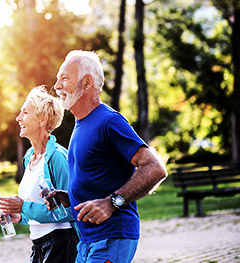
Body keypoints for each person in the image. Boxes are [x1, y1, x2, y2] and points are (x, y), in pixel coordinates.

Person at [47, 50, 168, 263]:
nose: (56, 86)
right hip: (86, 241)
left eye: (64, 78)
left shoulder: (108, 121)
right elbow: (100, 175)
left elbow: (155, 168)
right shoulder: (81, 124)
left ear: (86, 83)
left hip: (111, 238)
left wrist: (112, 202)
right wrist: (70, 197)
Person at [0, 86, 79, 263]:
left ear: (42, 119)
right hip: (39, 244)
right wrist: (19, 216)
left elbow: (71, 210)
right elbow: (38, 208)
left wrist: (23, 207)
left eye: (25, 112)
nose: (18, 118)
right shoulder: (29, 158)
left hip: (61, 243)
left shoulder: (57, 157)